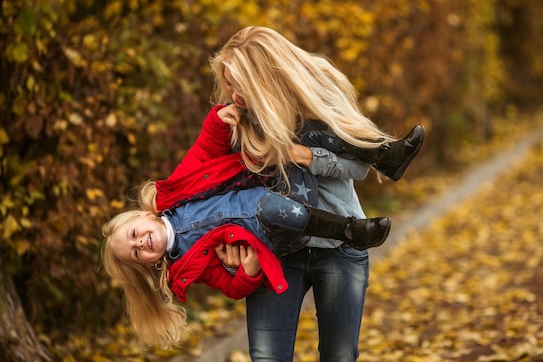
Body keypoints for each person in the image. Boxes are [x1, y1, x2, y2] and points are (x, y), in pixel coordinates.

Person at [101, 102, 420, 348]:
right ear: (150, 263)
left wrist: (217, 120)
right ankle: (350, 230)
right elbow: (231, 287)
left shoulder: (176, 191)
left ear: (144, 217)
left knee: (303, 137)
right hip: (279, 232)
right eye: (135, 253)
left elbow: (204, 151)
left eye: (133, 235)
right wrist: (248, 272)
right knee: (266, 207)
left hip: (282, 185)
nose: (140, 243)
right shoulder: (187, 268)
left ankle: (384, 153)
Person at [209, 26, 425, 362]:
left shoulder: (321, 92)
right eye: (230, 84)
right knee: (267, 360)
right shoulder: (237, 118)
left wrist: (302, 156)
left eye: (240, 85)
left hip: (339, 248)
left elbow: (359, 168)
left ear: (264, 77)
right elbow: (224, 189)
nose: (233, 94)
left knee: (339, 358)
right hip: (276, 251)